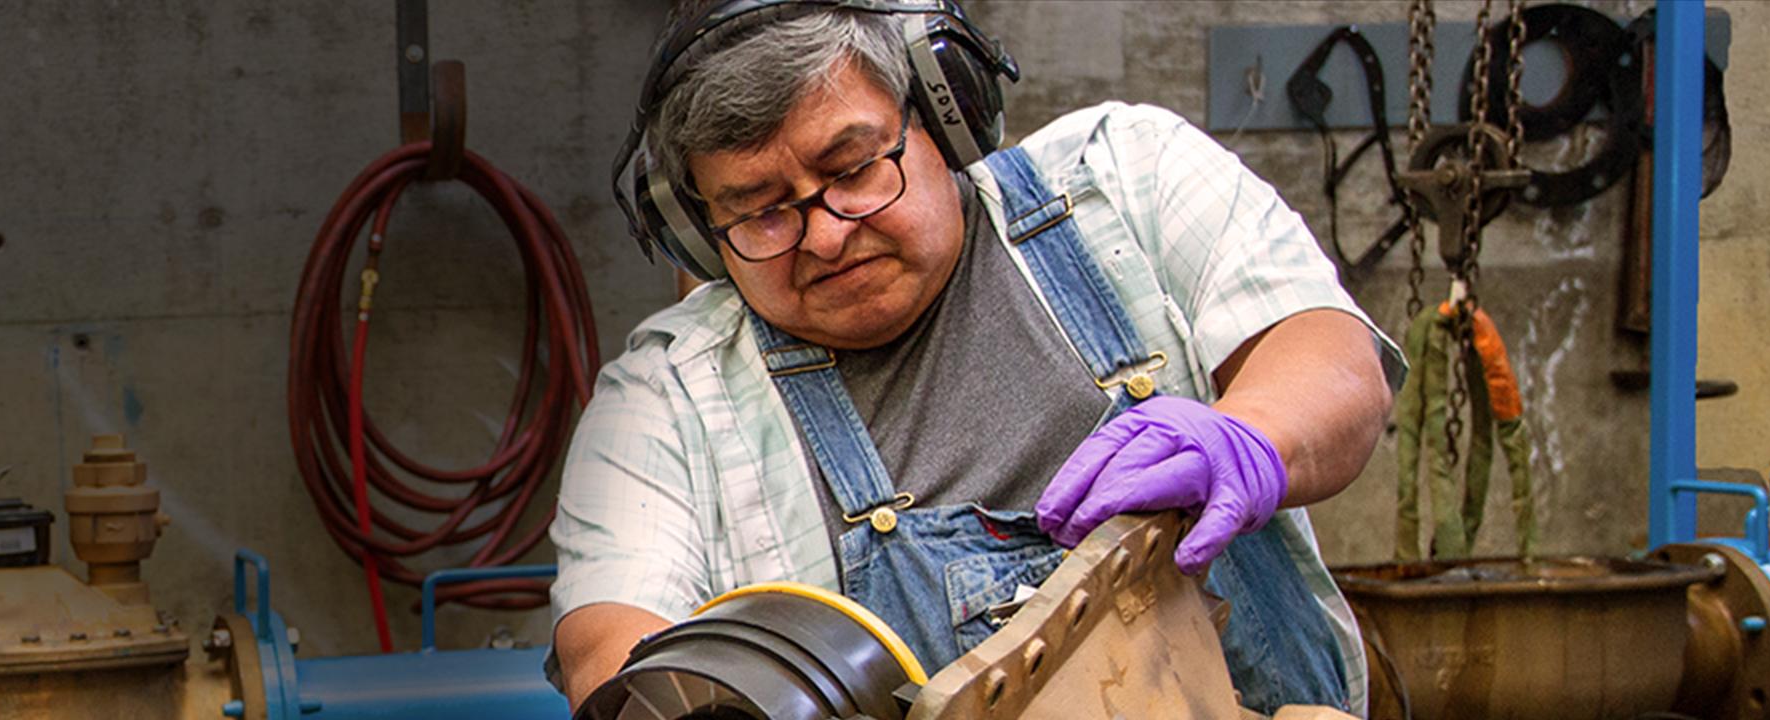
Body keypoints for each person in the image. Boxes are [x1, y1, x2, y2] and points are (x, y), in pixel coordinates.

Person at [551, 0, 1401, 714]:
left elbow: (1331, 361)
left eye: (852, 167)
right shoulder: (663, 399)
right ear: (701, 230)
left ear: (941, 114)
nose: (826, 233)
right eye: (761, 213)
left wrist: (1251, 437)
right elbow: (611, 641)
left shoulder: (1128, 177)